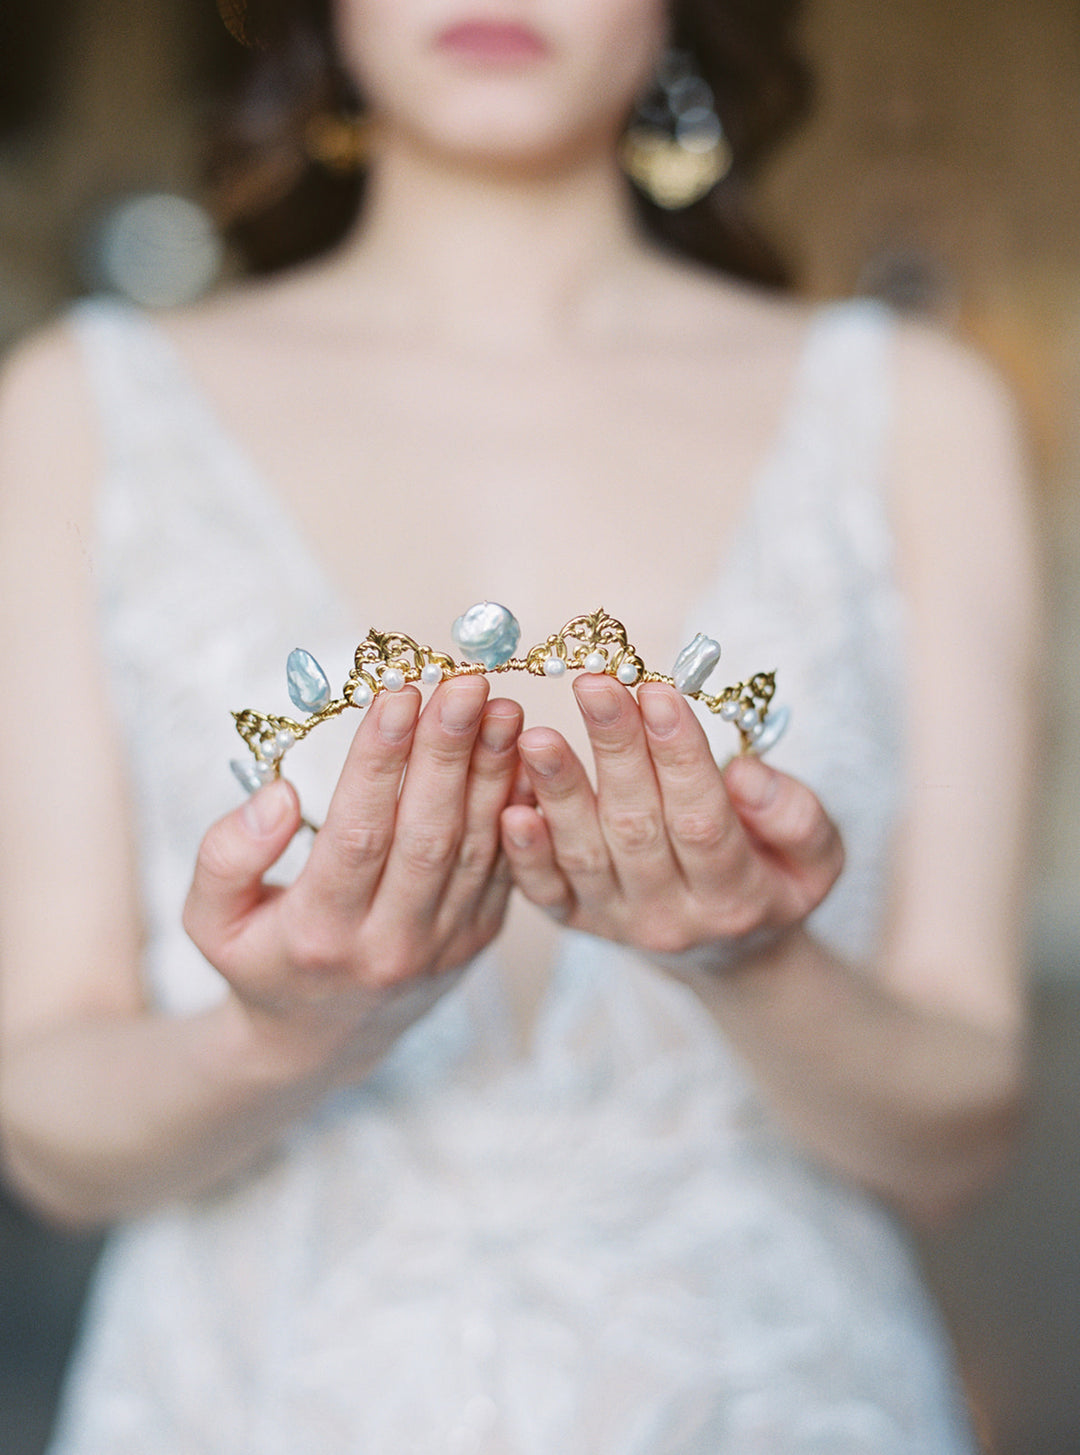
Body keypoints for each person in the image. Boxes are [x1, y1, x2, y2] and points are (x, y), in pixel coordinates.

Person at [0, 0, 1038, 1450]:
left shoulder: (919, 416)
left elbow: (958, 1134)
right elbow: (49, 1133)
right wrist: (283, 1034)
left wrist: (760, 961)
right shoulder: (79, 412)